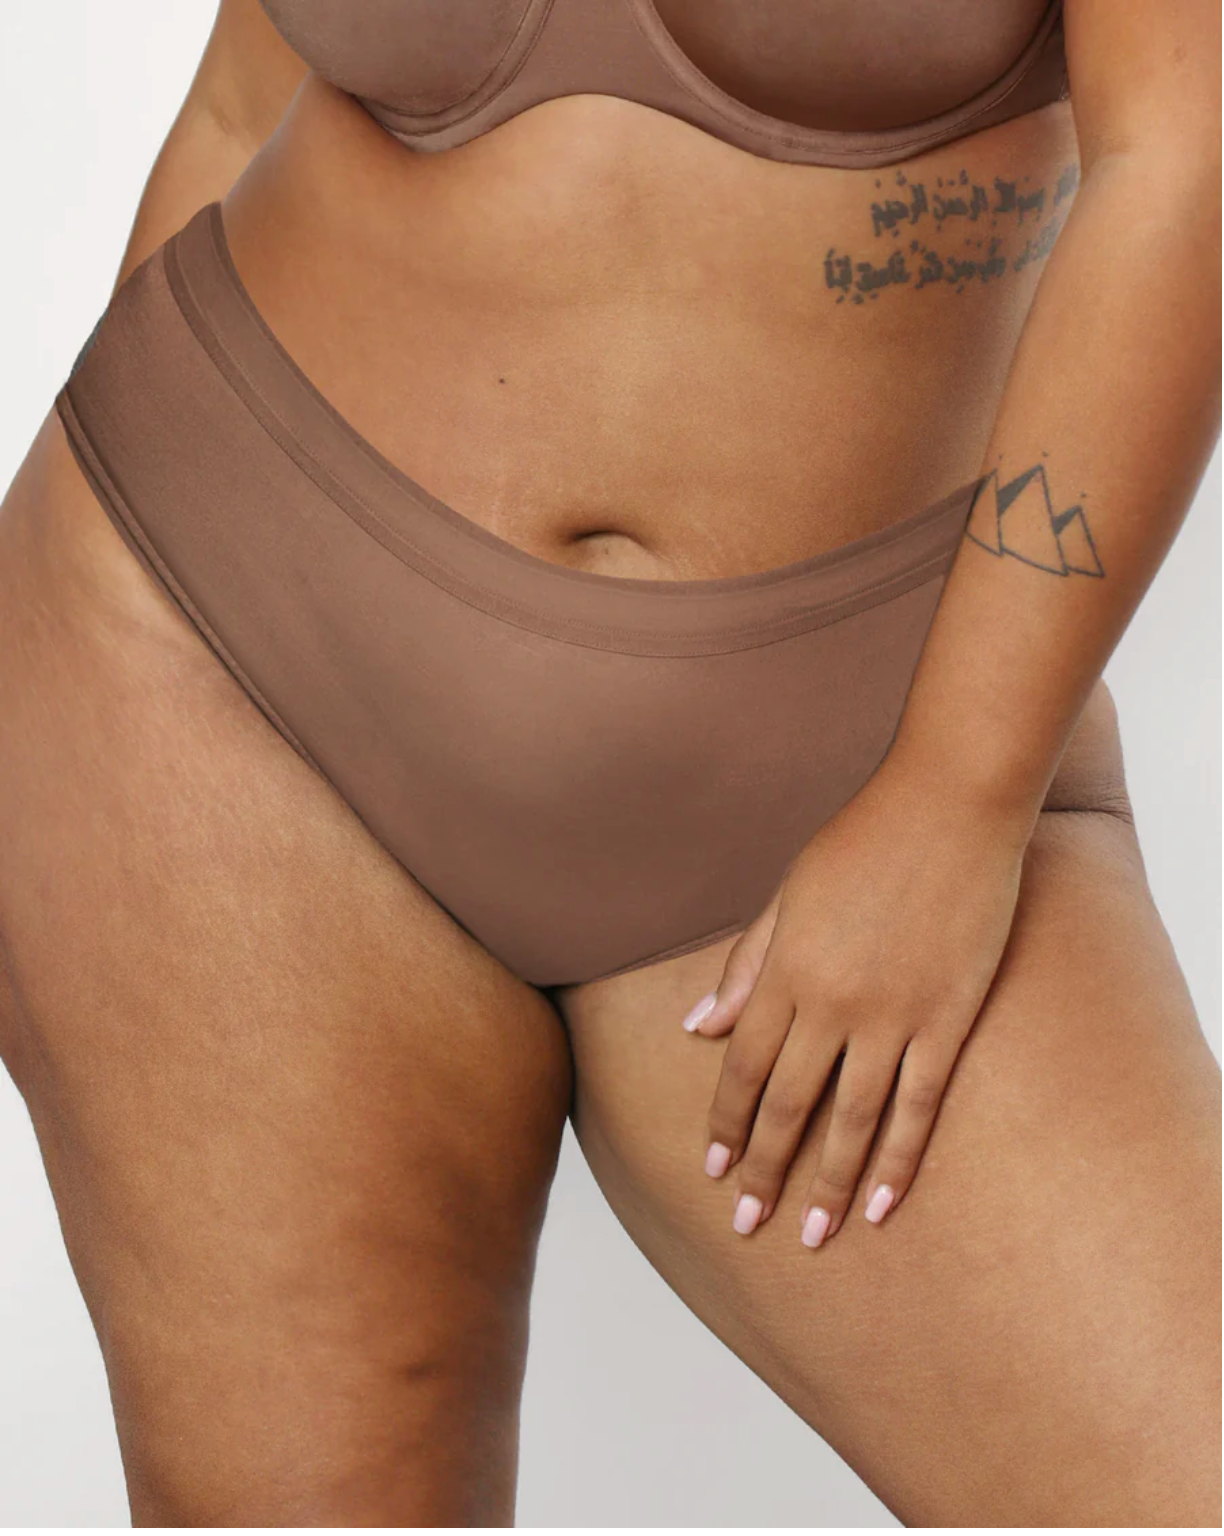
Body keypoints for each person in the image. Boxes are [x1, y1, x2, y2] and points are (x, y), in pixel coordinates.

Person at [0, 0, 1219, 1525]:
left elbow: (1181, 159)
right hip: (220, 665)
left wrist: (956, 799)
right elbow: (245, 101)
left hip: (864, 755)